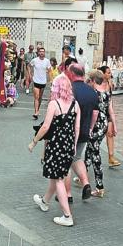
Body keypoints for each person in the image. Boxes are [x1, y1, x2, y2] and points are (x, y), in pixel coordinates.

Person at [28, 75, 81, 227]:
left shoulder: (54, 104)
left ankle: (67, 215)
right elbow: (76, 127)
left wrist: (34, 142)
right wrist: (74, 145)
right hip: (69, 145)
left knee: (58, 180)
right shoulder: (75, 105)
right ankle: (44, 201)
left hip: (56, 145)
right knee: (57, 175)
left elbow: (45, 127)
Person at [64, 63, 98, 201]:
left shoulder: (70, 89)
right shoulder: (92, 91)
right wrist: (90, 128)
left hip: (69, 131)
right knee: (77, 158)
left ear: (72, 74)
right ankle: (86, 184)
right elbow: (95, 113)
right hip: (84, 131)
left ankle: (67, 194)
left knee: (66, 161)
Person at [85, 70, 117, 197]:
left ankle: (100, 187)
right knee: (90, 148)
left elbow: (94, 113)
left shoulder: (94, 94)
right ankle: (83, 174)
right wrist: (114, 124)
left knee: (95, 153)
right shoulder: (107, 93)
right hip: (103, 124)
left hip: (96, 124)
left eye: (89, 81)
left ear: (93, 81)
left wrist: (90, 128)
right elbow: (111, 110)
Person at [98, 66, 120, 168]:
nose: (110, 74)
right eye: (108, 73)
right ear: (102, 74)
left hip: (108, 111)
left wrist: (112, 116)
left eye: (110, 72)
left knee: (110, 133)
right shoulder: (97, 84)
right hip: (98, 112)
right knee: (97, 137)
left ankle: (111, 157)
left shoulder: (109, 84)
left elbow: (110, 100)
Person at [30, 48, 51, 120]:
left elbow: (49, 70)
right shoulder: (35, 60)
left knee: (40, 97)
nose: (42, 53)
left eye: (43, 52)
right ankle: (36, 112)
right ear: (38, 53)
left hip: (43, 82)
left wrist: (49, 78)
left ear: (44, 53)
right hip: (36, 81)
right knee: (36, 96)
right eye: (40, 52)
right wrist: (31, 74)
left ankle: (38, 110)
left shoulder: (47, 61)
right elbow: (29, 66)